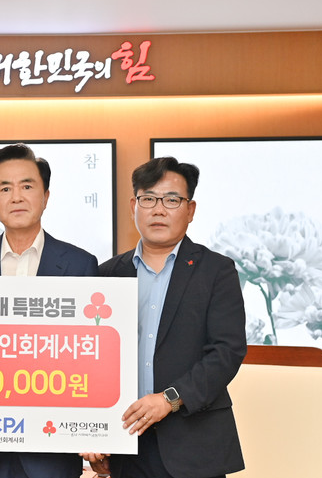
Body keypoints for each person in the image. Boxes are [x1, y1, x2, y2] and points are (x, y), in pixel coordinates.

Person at [0, 143, 98, 478]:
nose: (16, 197)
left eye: (27, 186)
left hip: (51, 451)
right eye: (4, 188)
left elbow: (89, 357)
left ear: (45, 196)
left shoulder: (80, 265)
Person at [90, 157, 246, 477]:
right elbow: (93, 359)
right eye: (148, 199)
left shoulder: (216, 271)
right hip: (128, 441)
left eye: (172, 200)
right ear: (134, 206)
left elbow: (226, 352)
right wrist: (96, 434)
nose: (158, 210)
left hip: (194, 445)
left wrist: (169, 399)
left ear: (190, 210)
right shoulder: (107, 275)